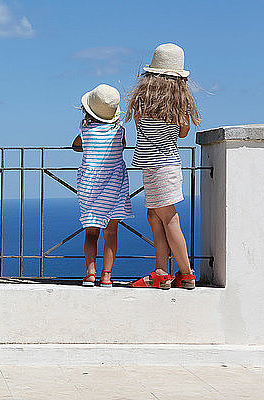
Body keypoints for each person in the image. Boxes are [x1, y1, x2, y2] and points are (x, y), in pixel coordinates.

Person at [125, 43, 200, 289]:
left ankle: (186, 273)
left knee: (168, 218)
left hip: (153, 166)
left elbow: (140, 128)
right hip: (168, 165)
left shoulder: (142, 101)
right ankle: (162, 271)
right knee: (155, 215)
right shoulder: (178, 103)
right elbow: (183, 133)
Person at [73, 84, 134, 287]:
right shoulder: (119, 130)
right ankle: (106, 276)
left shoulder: (85, 129)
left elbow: (76, 145)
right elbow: (123, 145)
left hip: (90, 186)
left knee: (91, 233)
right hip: (114, 187)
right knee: (111, 233)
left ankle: (90, 273)